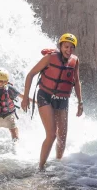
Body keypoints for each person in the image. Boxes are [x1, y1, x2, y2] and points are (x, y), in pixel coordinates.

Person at [21, 33, 83, 171]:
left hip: (62, 99)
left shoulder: (75, 61)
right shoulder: (49, 58)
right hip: (45, 96)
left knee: (63, 136)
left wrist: (80, 102)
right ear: (60, 46)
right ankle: (41, 167)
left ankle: (58, 164)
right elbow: (31, 74)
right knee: (52, 134)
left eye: (72, 48)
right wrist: (25, 97)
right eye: (66, 47)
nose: (69, 50)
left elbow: (76, 82)